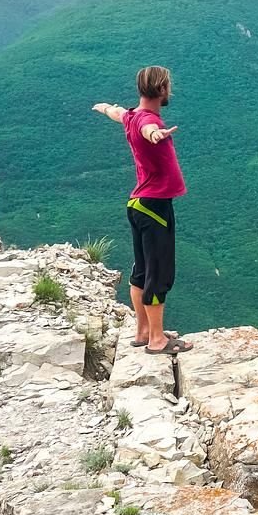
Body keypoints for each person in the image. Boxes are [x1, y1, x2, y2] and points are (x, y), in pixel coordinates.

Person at [92, 66, 190, 354]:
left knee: (141, 271)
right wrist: (155, 135)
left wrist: (106, 108)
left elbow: (119, 113)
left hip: (138, 205)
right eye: (168, 87)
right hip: (155, 207)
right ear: (161, 90)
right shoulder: (148, 122)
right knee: (158, 274)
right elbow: (149, 131)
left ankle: (143, 331)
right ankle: (158, 340)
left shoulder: (132, 115)